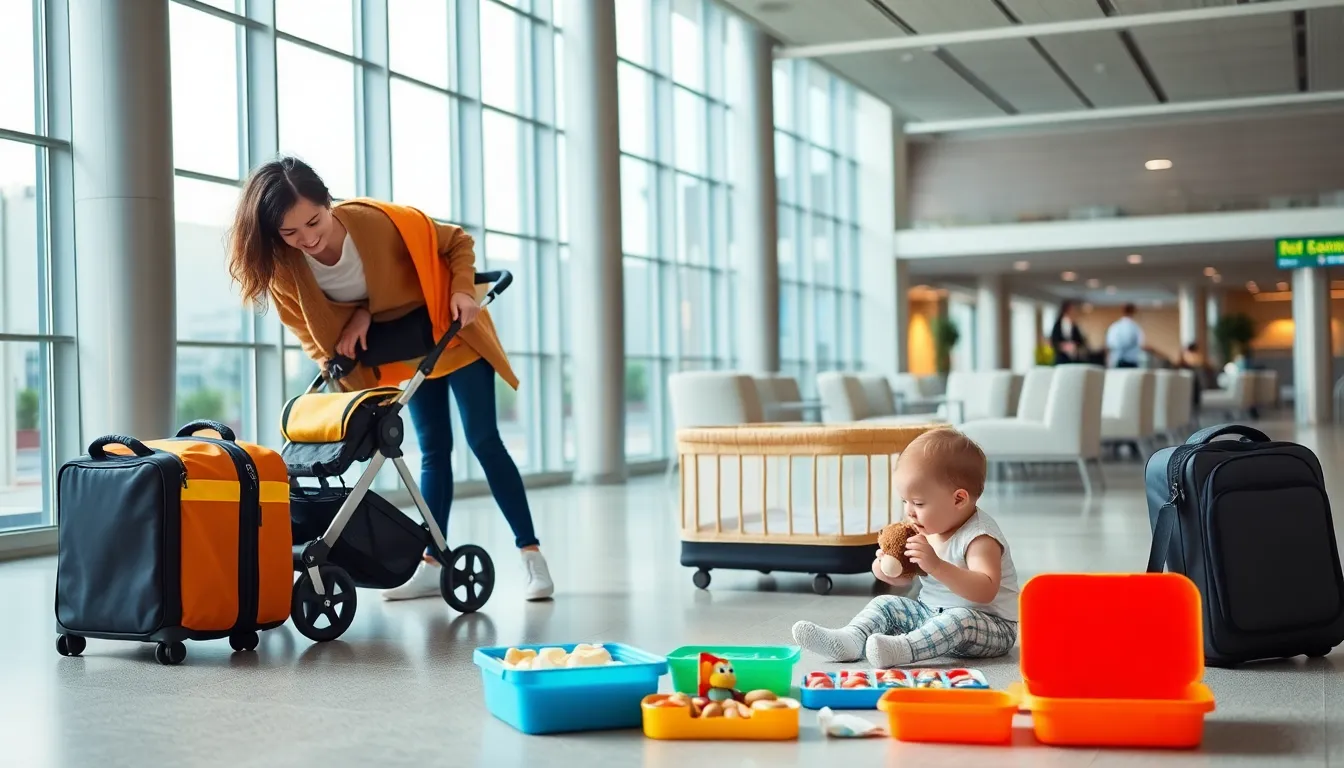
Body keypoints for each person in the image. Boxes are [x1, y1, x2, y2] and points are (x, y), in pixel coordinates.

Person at [227, 156, 554, 602]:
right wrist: (360, 319)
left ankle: (531, 556)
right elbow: (310, 328)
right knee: (434, 450)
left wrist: (462, 290)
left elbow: (455, 241)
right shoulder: (286, 267)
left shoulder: (373, 224)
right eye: (290, 232)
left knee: (484, 441)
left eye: (313, 221)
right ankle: (434, 564)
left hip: (450, 330)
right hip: (406, 352)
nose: (307, 238)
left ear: (329, 203)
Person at [790, 429, 1019, 668]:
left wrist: (938, 566)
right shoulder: (925, 528)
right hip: (931, 614)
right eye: (905, 501)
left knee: (958, 619)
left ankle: (902, 648)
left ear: (959, 499)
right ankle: (850, 640)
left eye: (919, 503)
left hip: (990, 627)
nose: (909, 511)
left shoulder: (979, 536)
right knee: (885, 603)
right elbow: (906, 580)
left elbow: (986, 590)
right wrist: (886, 571)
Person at [1104, 303, 1147, 368]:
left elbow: (1109, 346)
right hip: (1131, 363)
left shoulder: (1115, 327)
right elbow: (1141, 345)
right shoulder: (1136, 328)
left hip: (1118, 363)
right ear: (1134, 311)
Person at [1049, 300, 1088, 364]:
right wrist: (1063, 346)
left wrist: (1074, 345)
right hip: (1061, 358)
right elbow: (1054, 341)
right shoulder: (1057, 325)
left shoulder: (1074, 325)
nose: (1073, 312)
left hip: (1074, 358)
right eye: (1072, 310)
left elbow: (1081, 341)